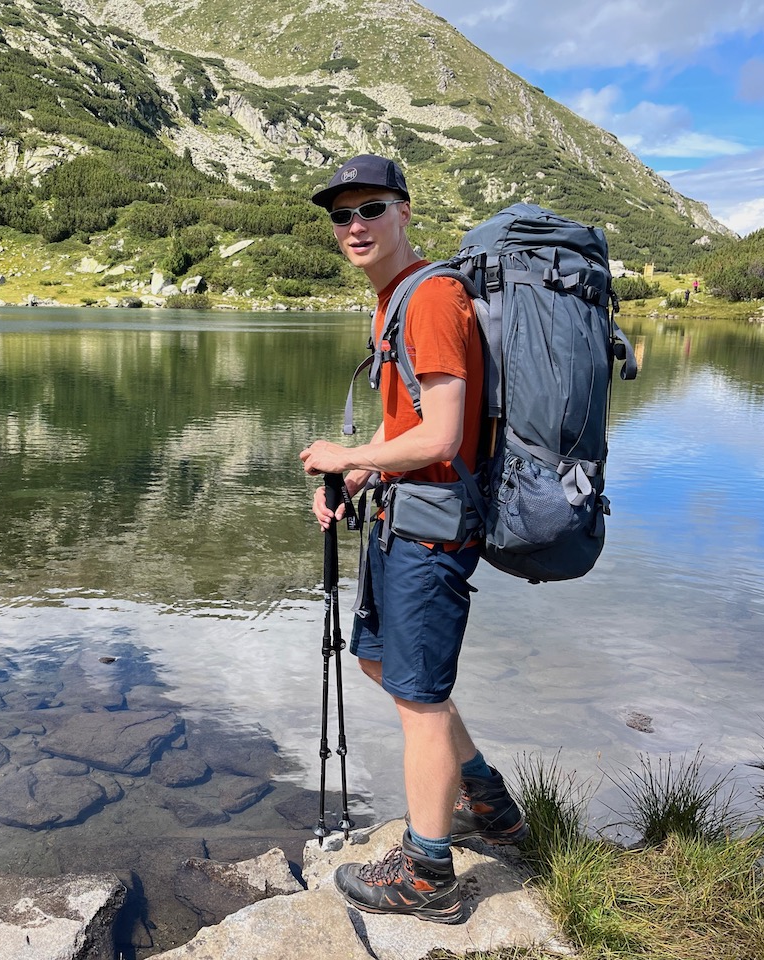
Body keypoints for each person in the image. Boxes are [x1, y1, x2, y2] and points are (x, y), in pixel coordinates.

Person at [298, 154, 528, 924]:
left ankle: (429, 875)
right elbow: (409, 426)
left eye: (370, 209)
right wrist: (362, 479)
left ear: (404, 212)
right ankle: (486, 799)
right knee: (380, 663)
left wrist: (348, 455)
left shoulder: (429, 299)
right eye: (341, 214)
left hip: (432, 534)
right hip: (405, 516)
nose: (355, 225)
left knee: (419, 701)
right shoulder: (395, 298)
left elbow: (444, 433)